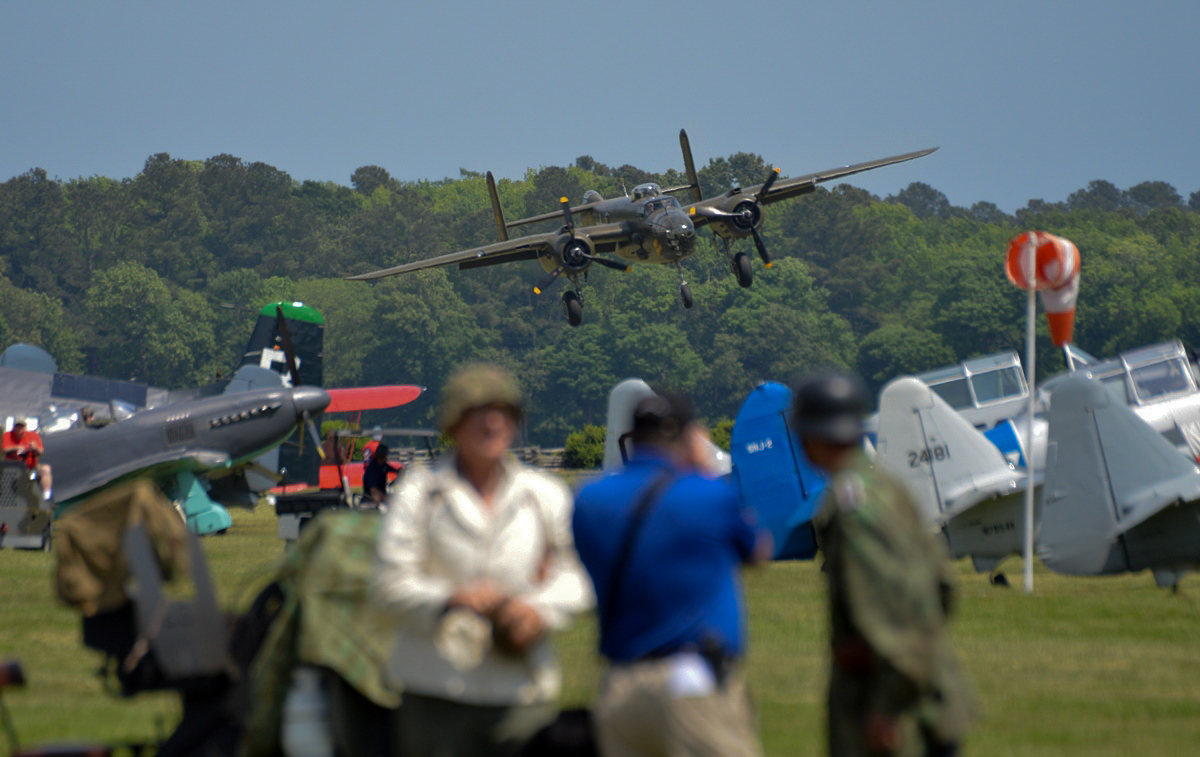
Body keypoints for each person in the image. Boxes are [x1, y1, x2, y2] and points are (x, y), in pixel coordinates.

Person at [370, 362, 593, 756]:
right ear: (453, 423)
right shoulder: (420, 493)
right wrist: (452, 599)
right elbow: (388, 584)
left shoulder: (544, 494)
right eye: (478, 413)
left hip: (523, 691)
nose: (492, 424)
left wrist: (536, 611)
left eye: (503, 414)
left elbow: (578, 577)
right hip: (435, 691)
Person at [572, 392, 772, 757]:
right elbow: (758, 551)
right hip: (692, 680)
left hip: (619, 685)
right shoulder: (711, 495)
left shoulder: (588, 500)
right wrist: (704, 468)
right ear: (689, 436)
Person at [793, 373, 975, 757]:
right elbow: (941, 587)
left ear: (809, 435)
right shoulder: (889, 487)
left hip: (895, 714)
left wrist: (885, 708)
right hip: (928, 694)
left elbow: (889, 621)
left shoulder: (852, 508)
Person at [3, 418, 52, 501]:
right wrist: (16, 448)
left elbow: (40, 452)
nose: (19, 429)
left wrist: (34, 448)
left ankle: (46, 496)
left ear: (25, 427)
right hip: (14, 468)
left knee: (45, 469)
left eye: (21, 426)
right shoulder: (7, 435)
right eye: (17, 426)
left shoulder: (33, 435)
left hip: (30, 467)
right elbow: (4, 450)